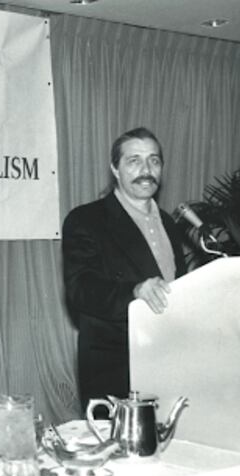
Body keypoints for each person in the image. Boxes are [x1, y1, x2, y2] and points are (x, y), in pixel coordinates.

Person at [62, 127, 186, 412]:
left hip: (170, 357)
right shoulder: (86, 220)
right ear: (115, 169)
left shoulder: (169, 223)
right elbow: (81, 289)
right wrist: (135, 291)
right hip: (116, 366)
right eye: (134, 161)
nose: (146, 170)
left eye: (154, 160)